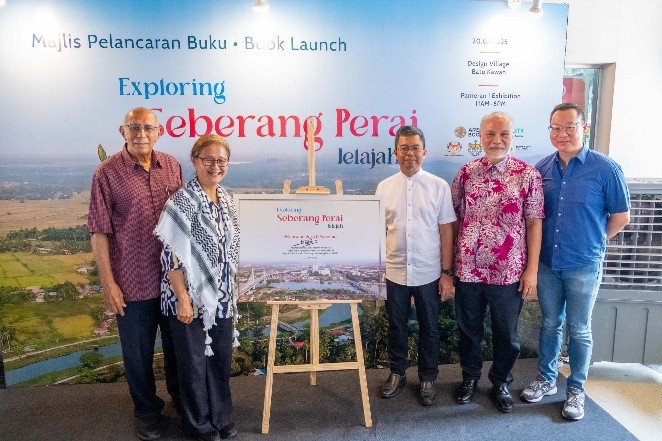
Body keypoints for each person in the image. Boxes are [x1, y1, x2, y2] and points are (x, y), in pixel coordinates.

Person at [521, 103, 630, 420]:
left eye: (569, 126)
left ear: (584, 128)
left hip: (584, 264)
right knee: (550, 323)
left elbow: (621, 216)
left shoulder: (606, 169)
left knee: (580, 329)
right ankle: (546, 379)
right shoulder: (541, 169)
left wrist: (595, 239)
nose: (563, 134)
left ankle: (576, 390)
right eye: (556, 128)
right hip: (547, 263)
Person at [88, 107, 182, 440]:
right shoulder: (106, 173)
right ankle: (147, 412)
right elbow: (99, 232)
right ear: (123, 131)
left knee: (177, 349)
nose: (141, 134)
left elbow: (184, 221)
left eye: (148, 128)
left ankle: (181, 402)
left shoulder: (172, 165)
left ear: (159, 132)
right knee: (137, 355)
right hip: (132, 282)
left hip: (173, 282)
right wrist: (108, 283)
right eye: (134, 127)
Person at [451, 112, 544, 413]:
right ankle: (469, 378)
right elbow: (454, 220)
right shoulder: (466, 173)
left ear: (513, 136)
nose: (497, 140)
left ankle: (501, 381)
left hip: (508, 273)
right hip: (468, 270)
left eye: (503, 133)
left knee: (507, 334)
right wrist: (449, 267)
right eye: (490, 134)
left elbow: (534, 223)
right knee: (469, 330)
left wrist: (531, 270)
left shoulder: (527, 175)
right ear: (480, 136)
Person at [154, 134, 239, 441]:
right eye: (208, 160)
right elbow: (171, 257)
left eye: (221, 160)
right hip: (187, 297)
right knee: (192, 365)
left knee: (219, 361)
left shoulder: (226, 199)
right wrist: (183, 298)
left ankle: (220, 417)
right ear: (195, 161)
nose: (215, 166)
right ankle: (198, 425)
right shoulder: (181, 201)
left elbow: (229, 251)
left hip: (221, 297)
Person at [375, 125, 456, 406]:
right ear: (395, 153)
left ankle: (428, 378)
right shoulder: (384, 187)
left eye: (415, 148)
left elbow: (447, 231)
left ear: (424, 152)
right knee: (396, 326)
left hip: (429, 271)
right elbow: (379, 230)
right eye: (404, 148)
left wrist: (447, 273)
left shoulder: (439, 186)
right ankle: (397, 373)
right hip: (394, 270)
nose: (410, 153)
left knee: (429, 328)